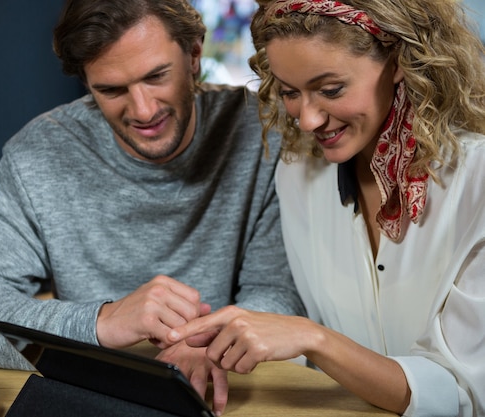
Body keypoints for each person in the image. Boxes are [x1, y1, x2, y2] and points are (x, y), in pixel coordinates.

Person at [0, 0, 305, 415]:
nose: (143, 111)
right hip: (91, 400)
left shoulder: (263, 131)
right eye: (111, 90)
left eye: (156, 76)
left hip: (230, 393)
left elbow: (278, 291)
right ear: (87, 84)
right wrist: (102, 322)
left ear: (194, 55)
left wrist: (209, 343)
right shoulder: (38, 154)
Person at [165, 0, 485, 416]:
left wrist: (314, 339)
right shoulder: (299, 175)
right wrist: (218, 344)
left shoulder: (476, 181)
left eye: (331, 90)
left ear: (398, 61)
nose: (309, 119)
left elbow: (462, 394)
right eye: (289, 92)